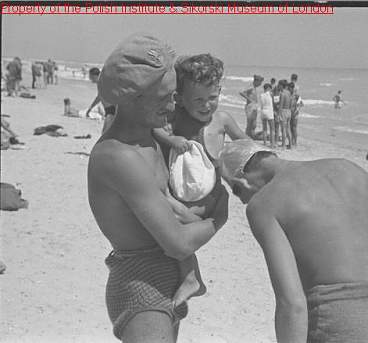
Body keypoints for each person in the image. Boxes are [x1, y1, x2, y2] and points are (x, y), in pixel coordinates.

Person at [87, 34, 229, 342]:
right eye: (165, 96)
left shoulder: (146, 139)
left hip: (163, 280)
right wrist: (218, 219)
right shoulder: (119, 156)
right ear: (133, 98)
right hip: (142, 286)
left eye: (174, 94)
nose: (174, 103)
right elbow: (176, 243)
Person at [220, 139, 368, 343]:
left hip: (342, 314)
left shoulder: (263, 205)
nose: (244, 199)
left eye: (237, 191)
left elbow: (292, 303)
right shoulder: (349, 168)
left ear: (241, 179)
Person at [153, 53, 247, 306]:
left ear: (220, 91)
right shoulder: (176, 118)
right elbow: (154, 127)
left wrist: (241, 177)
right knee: (172, 221)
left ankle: (191, 278)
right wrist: (171, 139)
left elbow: (245, 145)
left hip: (212, 196)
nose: (207, 105)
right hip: (183, 192)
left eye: (212, 97)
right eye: (198, 100)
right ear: (180, 99)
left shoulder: (222, 119)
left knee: (176, 224)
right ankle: (192, 277)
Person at [86, 67, 116, 131]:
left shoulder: (103, 82)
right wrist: (90, 108)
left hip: (112, 110)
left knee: (105, 132)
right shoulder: (100, 83)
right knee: (107, 132)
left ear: (94, 75)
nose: (89, 78)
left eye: (90, 76)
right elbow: (99, 97)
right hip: (109, 110)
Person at [239, 74, 264, 139]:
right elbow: (241, 92)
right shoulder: (251, 86)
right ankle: (246, 137)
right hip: (250, 106)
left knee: (254, 124)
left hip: (254, 106)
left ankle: (251, 137)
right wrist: (249, 99)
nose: (260, 84)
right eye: (260, 82)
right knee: (250, 123)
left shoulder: (254, 87)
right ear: (256, 81)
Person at [277, 79, 292, 149]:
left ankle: (283, 145)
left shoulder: (282, 94)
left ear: (281, 85)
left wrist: (278, 115)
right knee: (288, 129)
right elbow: (290, 102)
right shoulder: (288, 92)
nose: (278, 86)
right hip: (289, 111)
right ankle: (290, 145)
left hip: (283, 112)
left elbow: (281, 105)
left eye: (279, 85)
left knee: (283, 129)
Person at [260, 83, 275, 147]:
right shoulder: (270, 94)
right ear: (268, 88)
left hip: (263, 111)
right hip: (269, 111)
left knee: (264, 128)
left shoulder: (261, 95)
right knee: (272, 128)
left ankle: (265, 143)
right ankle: (272, 144)